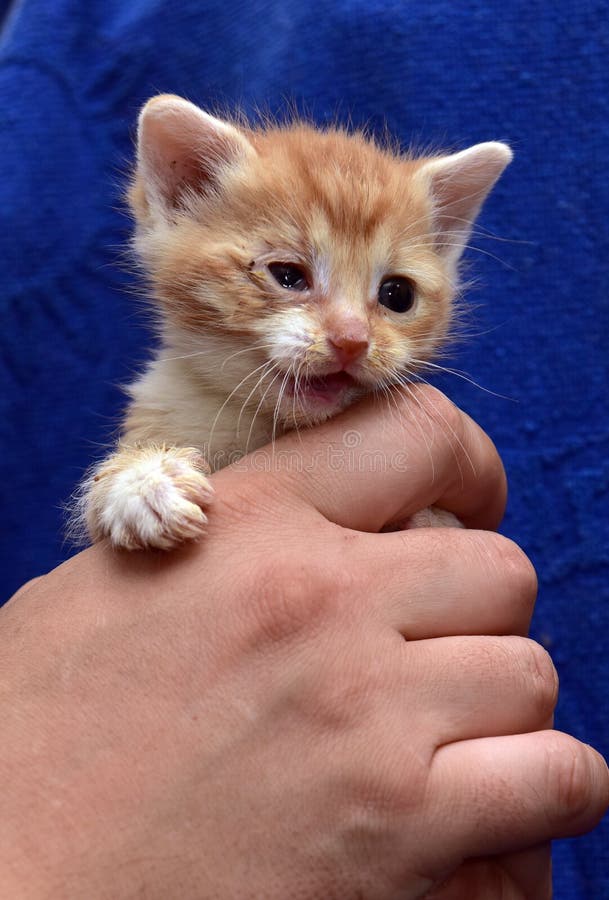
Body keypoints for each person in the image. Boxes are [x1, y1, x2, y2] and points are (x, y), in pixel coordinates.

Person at [2, 387, 607, 899]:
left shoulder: (404, 443)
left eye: (394, 298)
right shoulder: (175, 409)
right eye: (290, 286)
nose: (351, 335)